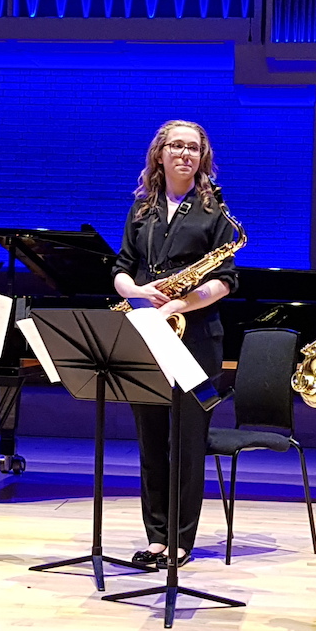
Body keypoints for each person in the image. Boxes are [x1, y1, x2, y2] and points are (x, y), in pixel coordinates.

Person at [111, 121, 239, 571]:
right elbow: (122, 268)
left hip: (197, 338)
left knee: (187, 441)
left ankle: (180, 540)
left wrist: (178, 304)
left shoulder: (215, 212)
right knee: (150, 440)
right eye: (176, 146)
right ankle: (156, 537)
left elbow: (226, 281)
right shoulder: (141, 209)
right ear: (159, 154)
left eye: (194, 147)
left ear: (202, 157)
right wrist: (141, 294)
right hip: (147, 330)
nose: (185, 153)